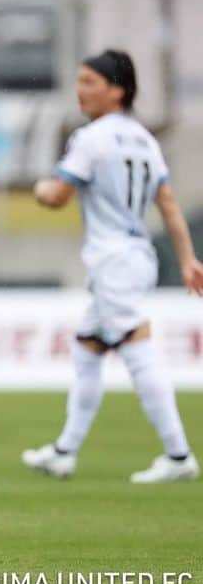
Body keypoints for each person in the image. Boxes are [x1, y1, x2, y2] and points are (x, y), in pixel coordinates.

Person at [23, 49, 202, 483]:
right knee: (87, 349)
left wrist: (40, 188)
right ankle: (64, 451)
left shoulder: (92, 138)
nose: (80, 90)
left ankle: (178, 456)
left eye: (90, 82)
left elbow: (58, 196)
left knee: (137, 346)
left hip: (112, 260)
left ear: (117, 90)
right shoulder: (144, 140)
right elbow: (170, 206)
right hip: (136, 255)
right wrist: (187, 259)